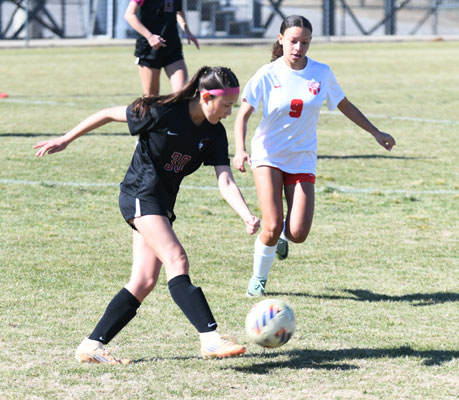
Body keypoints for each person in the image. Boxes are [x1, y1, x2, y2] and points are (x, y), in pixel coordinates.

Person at [34, 66, 260, 364]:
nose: (230, 113)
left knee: (143, 280)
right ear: (206, 97)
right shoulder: (163, 112)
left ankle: (91, 346)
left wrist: (245, 214)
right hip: (140, 195)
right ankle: (210, 338)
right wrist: (66, 139)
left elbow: (225, 180)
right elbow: (107, 114)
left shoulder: (214, 132)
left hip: (161, 204)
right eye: (226, 105)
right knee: (176, 258)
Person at [233, 15, 396, 297]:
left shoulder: (322, 73)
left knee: (298, 233)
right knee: (272, 224)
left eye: (305, 42)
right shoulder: (267, 74)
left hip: (302, 157)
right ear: (281, 39)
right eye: (293, 41)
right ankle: (258, 280)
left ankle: (283, 237)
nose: (298, 47)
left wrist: (375, 132)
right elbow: (242, 116)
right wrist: (240, 149)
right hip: (268, 155)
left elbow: (344, 105)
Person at [125, 0, 200, 96]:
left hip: (172, 46)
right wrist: (150, 37)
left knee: (183, 93)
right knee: (151, 97)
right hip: (149, 49)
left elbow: (178, 10)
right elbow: (129, 15)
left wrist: (187, 31)